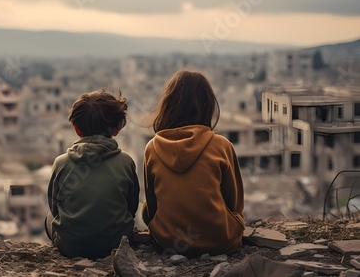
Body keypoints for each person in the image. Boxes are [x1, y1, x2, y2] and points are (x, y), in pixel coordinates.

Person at [142, 70, 245, 256]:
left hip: (168, 241)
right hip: (220, 239)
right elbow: (235, 203)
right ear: (207, 106)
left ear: (168, 106)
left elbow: (152, 205)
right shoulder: (221, 145)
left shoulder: (152, 148)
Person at [46, 89, 140, 259]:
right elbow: (131, 208)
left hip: (71, 247)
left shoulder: (61, 163)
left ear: (76, 129)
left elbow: (54, 208)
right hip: (116, 245)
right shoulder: (126, 162)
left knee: (48, 219)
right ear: (116, 130)